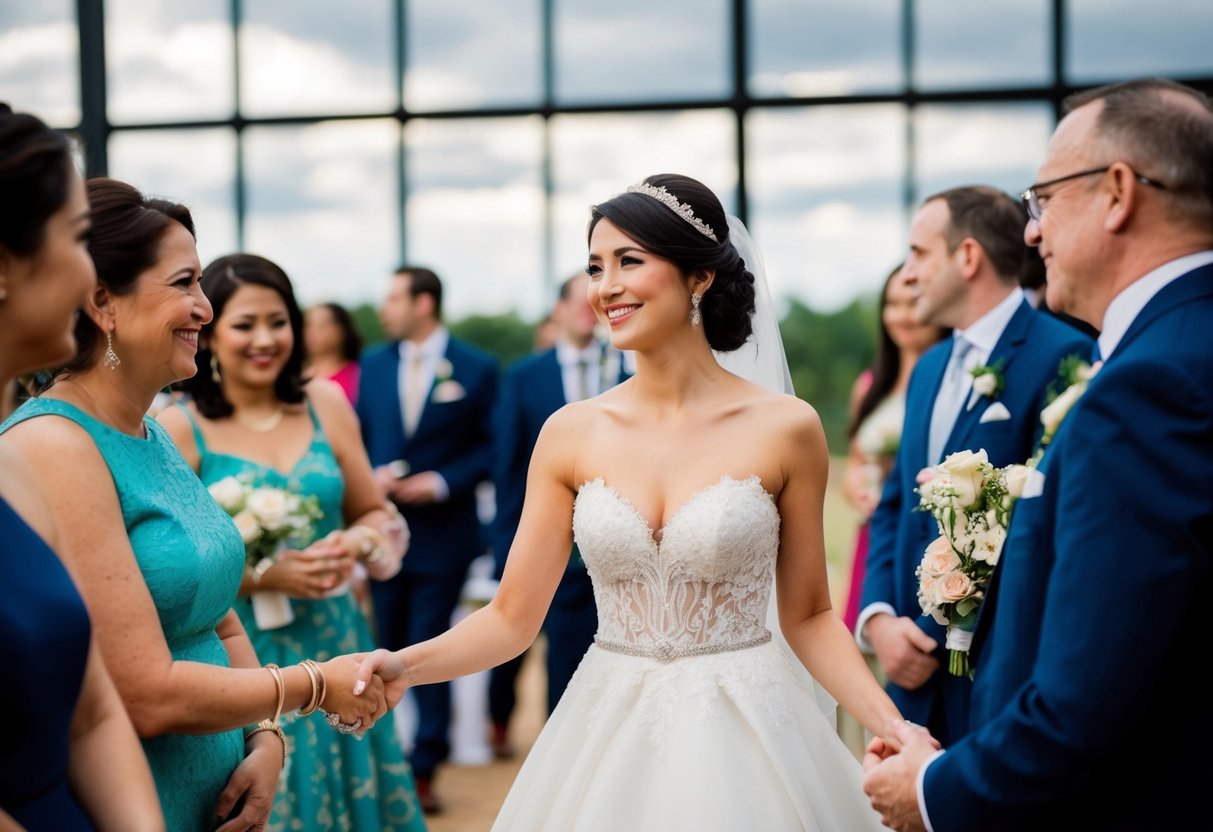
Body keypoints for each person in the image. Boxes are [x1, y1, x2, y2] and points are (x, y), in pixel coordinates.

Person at [352, 173, 908, 830]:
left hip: (753, 732)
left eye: (628, 261)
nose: (604, 287)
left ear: (698, 276)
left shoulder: (786, 428)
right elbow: (509, 617)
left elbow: (811, 615)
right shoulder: (569, 433)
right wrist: (402, 665)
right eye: (594, 266)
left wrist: (892, 725)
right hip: (605, 725)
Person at [862, 78, 1213, 832]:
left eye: (1044, 199)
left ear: (1118, 193)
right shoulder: (1178, 352)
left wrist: (935, 790)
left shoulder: (1148, 386)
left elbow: (1087, 690)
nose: (1029, 232)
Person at [0, 177, 387, 832]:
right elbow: (142, 692)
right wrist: (315, 684)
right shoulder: (56, 445)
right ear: (104, 304)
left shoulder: (149, 431)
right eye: (184, 283)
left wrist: (266, 739)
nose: (204, 307)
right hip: (139, 800)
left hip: (222, 792)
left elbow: (220, 617)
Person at [158, 254, 426, 832]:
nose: (265, 339)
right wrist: (263, 576)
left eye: (278, 322)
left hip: (338, 640)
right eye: (245, 324)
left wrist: (355, 544)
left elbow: (373, 511)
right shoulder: (181, 427)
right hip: (247, 654)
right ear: (210, 333)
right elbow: (171, 570)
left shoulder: (324, 402)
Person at [856, 186, 1091, 746]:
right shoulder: (929, 367)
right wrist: (880, 619)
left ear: (967, 257)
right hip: (908, 682)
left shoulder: (1067, 355)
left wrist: (935, 628)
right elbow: (894, 504)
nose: (908, 274)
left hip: (997, 673)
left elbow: (1042, 522)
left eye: (919, 254)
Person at [0, 104, 163, 831]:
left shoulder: (11, 467)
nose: (93, 272)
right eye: (76, 238)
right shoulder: (48, 443)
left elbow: (94, 713)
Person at [356, 266, 498, 813]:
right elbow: (360, 437)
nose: (384, 308)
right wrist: (374, 477)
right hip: (384, 535)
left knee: (428, 646)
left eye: (393, 297)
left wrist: (440, 482)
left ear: (424, 304)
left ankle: (424, 769)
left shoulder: (477, 367)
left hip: (445, 535)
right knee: (381, 645)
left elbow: (493, 446)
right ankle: (385, 761)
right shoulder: (373, 364)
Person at [487, 272, 630, 755]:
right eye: (579, 304)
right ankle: (554, 745)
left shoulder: (628, 369)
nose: (588, 313)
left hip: (616, 535)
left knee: (593, 648)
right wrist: (506, 540)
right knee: (529, 644)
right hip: (548, 535)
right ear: (559, 311)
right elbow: (508, 464)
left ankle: (593, 745)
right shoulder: (526, 375)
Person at [841, 264, 947, 633]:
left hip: (926, 533)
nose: (902, 316)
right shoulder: (869, 387)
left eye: (912, 303)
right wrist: (858, 491)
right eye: (892, 304)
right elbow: (854, 464)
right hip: (872, 533)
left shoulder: (950, 383)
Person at [305, 301, 363, 407]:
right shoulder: (296, 378)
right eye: (308, 325)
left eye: (322, 325)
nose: (312, 331)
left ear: (342, 330)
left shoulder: (359, 376)